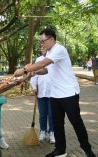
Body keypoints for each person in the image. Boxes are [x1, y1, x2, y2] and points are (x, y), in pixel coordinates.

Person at [13, 29, 96, 157]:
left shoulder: (59, 50)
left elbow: (44, 63)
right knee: (57, 123)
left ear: (51, 39)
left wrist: (24, 69)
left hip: (69, 93)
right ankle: (60, 150)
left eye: (43, 41)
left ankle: (87, 150)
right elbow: (46, 69)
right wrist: (36, 72)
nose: (41, 44)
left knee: (76, 122)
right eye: (40, 42)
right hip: (55, 94)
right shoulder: (50, 52)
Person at [30, 47, 55, 144]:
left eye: (44, 46)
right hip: (41, 92)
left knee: (52, 114)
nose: (42, 48)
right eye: (41, 46)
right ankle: (43, 131)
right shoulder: (39, 60)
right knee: (43, 113)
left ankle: (52, 132)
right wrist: (34, 87)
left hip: (52, 91)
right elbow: (34, 74)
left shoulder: (52, 58)